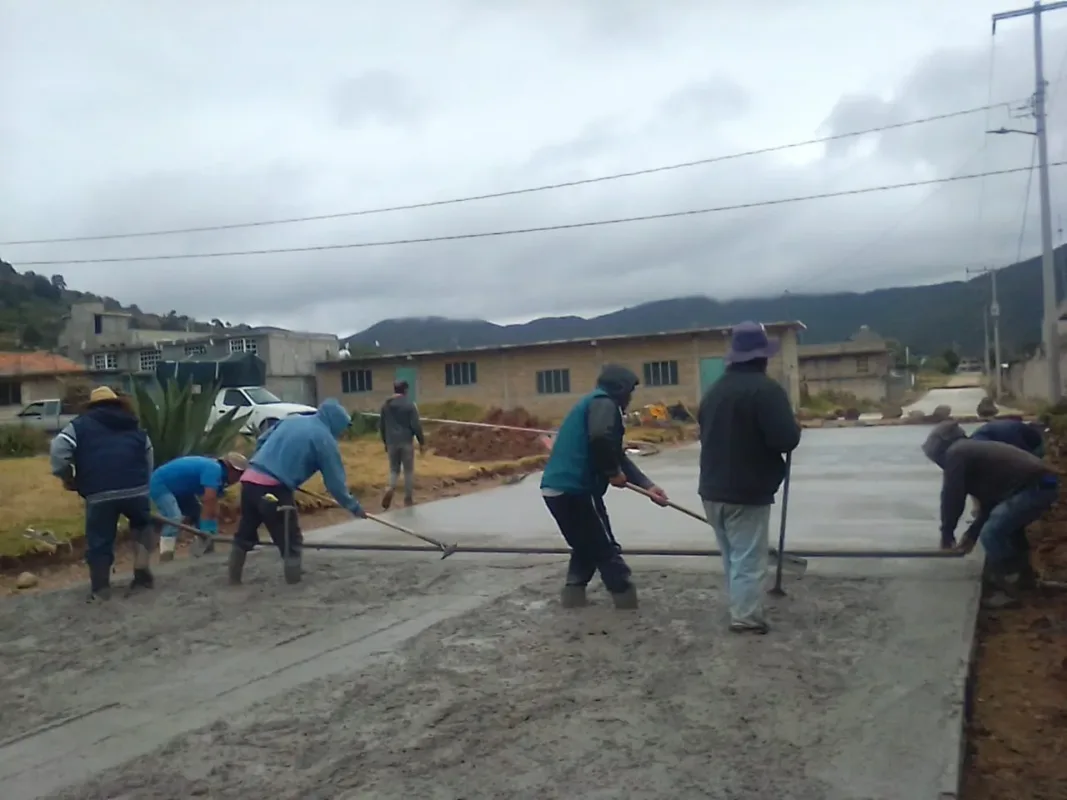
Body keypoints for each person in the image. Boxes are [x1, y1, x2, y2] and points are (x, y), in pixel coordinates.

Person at [697, 321, 802, 635]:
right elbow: (784, 439)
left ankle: (740, 607)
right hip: (747, 489)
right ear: (762, 358)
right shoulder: (767, 391)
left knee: (732, 556)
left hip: (712, 488)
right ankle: (745, 617)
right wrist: (794, 429)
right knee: (748, 559)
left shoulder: (715, 391)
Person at [539, 364, 669, 611]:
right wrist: (612, 473)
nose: (631, 397)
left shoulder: (593, 403)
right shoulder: (604, 404)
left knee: (586, 543)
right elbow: (600, 438)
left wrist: (648, 486)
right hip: (575, 489)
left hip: (559, 489)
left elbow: (614, 453)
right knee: (605, 548)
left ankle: (573, 597)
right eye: (630, 391)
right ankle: (625, 599)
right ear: (620, 389)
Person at [922, 420, 1058, 609]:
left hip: (1036, 486)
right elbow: (990, 504)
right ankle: (1025, 579)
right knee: (1010, 529)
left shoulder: (957, 453)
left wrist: (947, 533)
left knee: (992, 533)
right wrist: (971, 534)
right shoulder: (973, 454)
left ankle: (1007, 588)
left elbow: (952, 495)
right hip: (1044, 484)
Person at [229, 398, 366, 585]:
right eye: (343, 426)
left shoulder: (291, 420)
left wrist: (266, 465)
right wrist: (354, 507)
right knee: (289, 537)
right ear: (336, 421)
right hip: (274, 489)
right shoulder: (324, 439)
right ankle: (293, 584)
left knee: (245, 531)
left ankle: (233, 579)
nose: (343, 431)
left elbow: (261, 440)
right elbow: (335, 483)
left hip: (250, 481)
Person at [49, 386, 155, 602]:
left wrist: (68, 477)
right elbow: (148, 451)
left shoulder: (79, 426)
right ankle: (142, 574)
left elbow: (59, 450)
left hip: (99, 492)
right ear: (117, 403)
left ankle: (100, 589)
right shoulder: (132, 423)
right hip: (136, 489)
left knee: (100, 539)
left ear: (92, 405)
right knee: (142, 526)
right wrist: (144, 483)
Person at [150, 452, 248, 561]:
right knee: (174, 517)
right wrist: (206, 528)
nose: (239, 478)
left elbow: (214, 504)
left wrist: (212, 528)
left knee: (197, 513)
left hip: (182, 490)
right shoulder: (214, 469)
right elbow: (209, 500)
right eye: (240, 474)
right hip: (161, 484)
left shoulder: (221, 477)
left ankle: (206, 548)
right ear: (231, 469)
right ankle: (166, 556)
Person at [378, 380, 425, 509]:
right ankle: (408, 499)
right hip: (406, 442)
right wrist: (422, 442)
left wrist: (385, 442)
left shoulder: (385, 406)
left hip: (391, 442)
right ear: (405, 390)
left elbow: (382, 426)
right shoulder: (410, 405)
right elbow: (416, 425)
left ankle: (390, 488)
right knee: (408, 471)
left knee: (394, 469)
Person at [971, 419, 1046, 457]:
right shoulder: (1015, 438)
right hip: (983, 442)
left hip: (980, 438)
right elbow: (1026, 456)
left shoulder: (1017, 429)